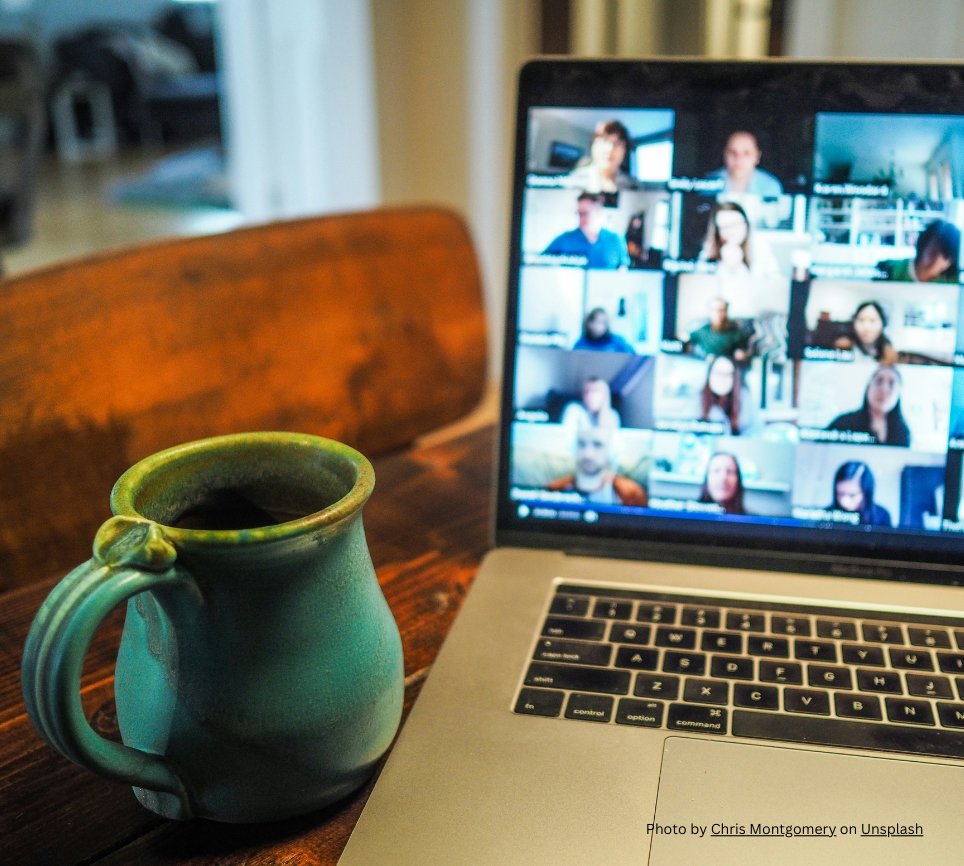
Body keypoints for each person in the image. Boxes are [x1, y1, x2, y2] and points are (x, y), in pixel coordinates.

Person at [546, 424, 647, 507]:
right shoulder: (555, 489)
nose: (588, 454)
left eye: (597, 445)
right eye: (581, 444)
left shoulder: (631, 494)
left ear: (611, 450)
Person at [827, 365, 910, 447]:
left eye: (892, 384)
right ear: (868, 387)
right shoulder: (842, 423)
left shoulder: (903, 432)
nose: (884, 389)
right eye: (878, 382)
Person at [543, 192, 629, 269]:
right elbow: (540, 262)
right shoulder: (564, 240)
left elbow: (622, 270)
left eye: (585, 213)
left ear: (598, 212)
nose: (581, 218)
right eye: (579, 213)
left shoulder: (616, 240)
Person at [876, 219, 961, 283]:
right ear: (923, 243)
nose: (936, 258)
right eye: (934, 249)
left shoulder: (952, 283)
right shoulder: (891, 270)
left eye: (945, 256)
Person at [562, 120, 636, 193]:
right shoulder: (573, 181)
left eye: (616, 143)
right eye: (604, 141)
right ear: (593, 146)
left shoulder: (633, 186)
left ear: (625, 151)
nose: (609, 149)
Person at [706, 131, 783, 197]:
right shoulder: (708, 183)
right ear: (724, 154)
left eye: (746, 153)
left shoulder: (770, 186)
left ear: (757, 156)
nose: (739, 159)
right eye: (733, 152)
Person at [827, 461, 892, 526]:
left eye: (852, 495)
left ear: (866, 493)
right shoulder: (826, 514)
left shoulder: (882, 516)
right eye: (840, 494)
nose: (844, 502)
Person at [700, 355, 752, 435]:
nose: (722, 378)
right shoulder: (697, 401)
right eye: (718, 373)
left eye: (728, 374)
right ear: (709, 374)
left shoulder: (744, 401)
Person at [832, 301, 898, 363]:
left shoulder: (888, 352)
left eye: (872, 320)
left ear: (883, 323)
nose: (866, 327)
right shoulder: (843, 346)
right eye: (861, 320)